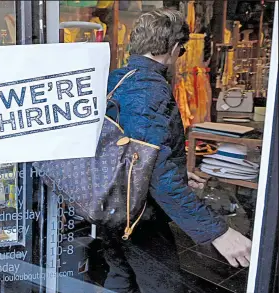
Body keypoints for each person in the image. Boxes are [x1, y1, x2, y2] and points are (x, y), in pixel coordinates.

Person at [103, 8, 252, 293]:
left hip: (111, 203)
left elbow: (132, 147)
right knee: (164, 286)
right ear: (173, 48)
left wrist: (179, 168)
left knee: (121, 279)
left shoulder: (117, 79)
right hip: (139, 214)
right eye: (181, 50)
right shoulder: (150, 90)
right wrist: (216, 232)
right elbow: (155, 169)